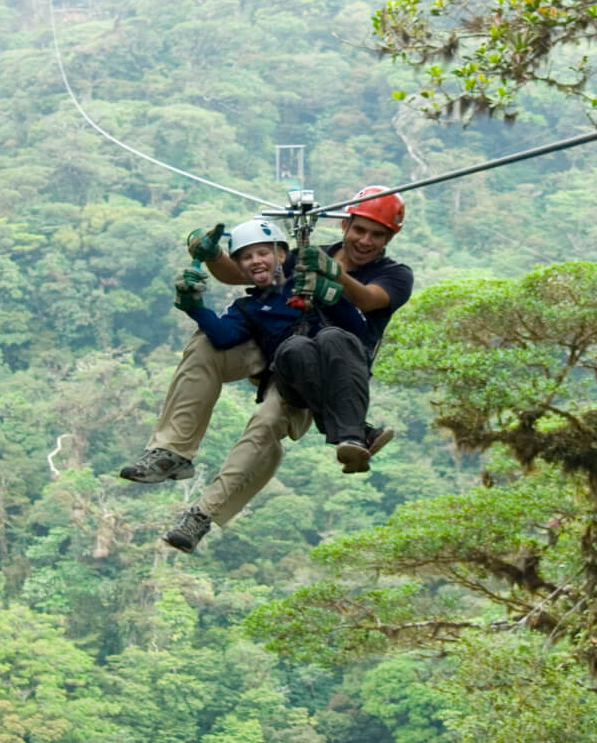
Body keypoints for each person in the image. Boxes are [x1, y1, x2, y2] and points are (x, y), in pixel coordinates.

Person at [121, 187, 415, 552]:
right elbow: (244, 271)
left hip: (326, 369)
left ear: (390, 237)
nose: (365, 241)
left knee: (266, 424)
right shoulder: (306, 256)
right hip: (274, 349)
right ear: (346, 225)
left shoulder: (394, 274)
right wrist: (212, 256)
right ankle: (171, 451)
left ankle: (201, 515)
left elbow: (370, 300)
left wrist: (332, 278)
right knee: (204, 343)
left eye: (377, 234)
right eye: (360, 230)